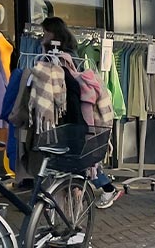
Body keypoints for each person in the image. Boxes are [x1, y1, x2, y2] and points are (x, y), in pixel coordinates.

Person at [39, 17, 122, 209]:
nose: (42, 36)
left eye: (45, 32)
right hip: (80, 119)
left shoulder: (60, 59)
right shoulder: (67, 54)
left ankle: (104, 190)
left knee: (80, 165)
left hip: (74, 119)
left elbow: (72, 92)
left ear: (52, 33)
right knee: (84, 163)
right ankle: (105, 188)